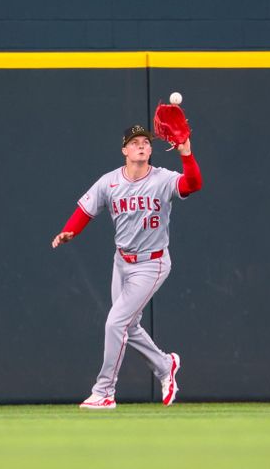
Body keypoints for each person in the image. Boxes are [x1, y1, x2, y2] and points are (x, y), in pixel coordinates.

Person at [51, 124, 203, 409]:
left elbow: (192, 184)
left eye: (146, 142)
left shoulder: (162, 179)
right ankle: (164, 365)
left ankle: (104, 391)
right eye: (134, 143)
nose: (141, 146)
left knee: (115, 322)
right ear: (124, 150)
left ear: (150, 149)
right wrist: (70, 231)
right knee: (128, 325)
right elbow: (86, 210)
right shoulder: (110, 182)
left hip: (152, 263)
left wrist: (186, 153)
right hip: (122, 261)